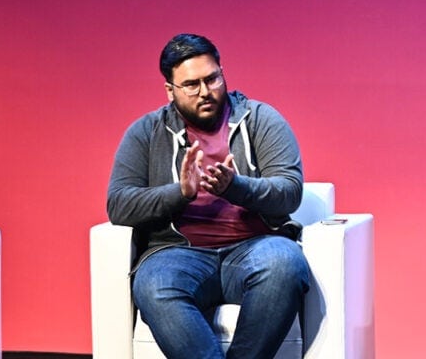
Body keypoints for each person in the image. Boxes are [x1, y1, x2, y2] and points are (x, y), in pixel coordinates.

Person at [107, 33, 313, 359]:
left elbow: (290, 192)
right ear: (170, 90)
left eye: (212, 78)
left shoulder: (261, 120)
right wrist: (181, 192)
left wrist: (236, 188)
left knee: (285, 262)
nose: (205, 92)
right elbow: (119, 205)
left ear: (222, 73)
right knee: (154, 284)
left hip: (255, 246)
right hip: (178, 253)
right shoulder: (145, 132)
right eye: (191, 85)